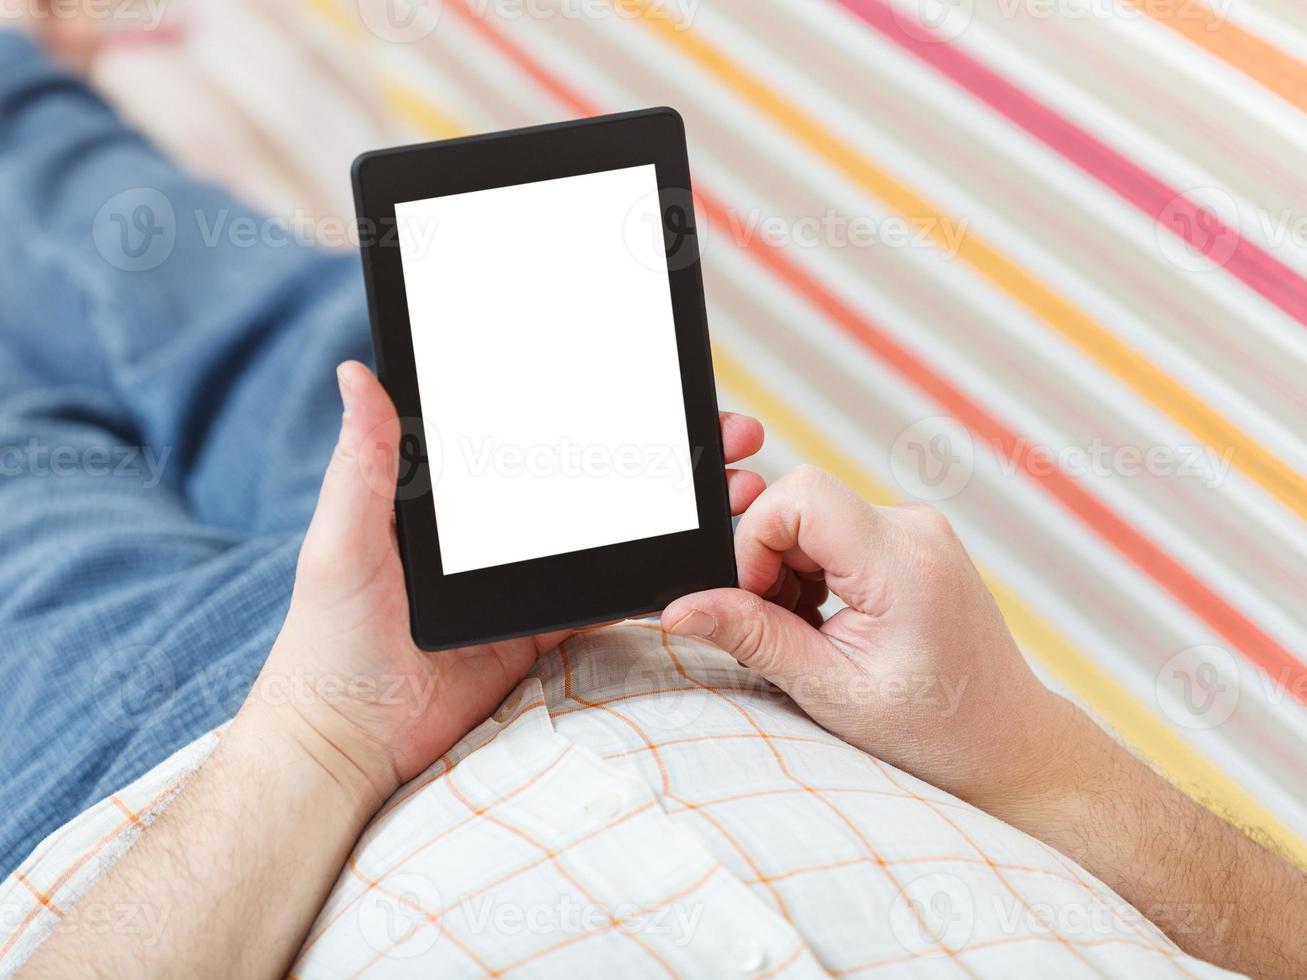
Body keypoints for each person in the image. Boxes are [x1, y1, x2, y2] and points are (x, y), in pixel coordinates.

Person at [1, 11, 1304, 980]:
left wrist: (317, 738)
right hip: (652, 626)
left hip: (194, 798)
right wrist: (1027, 752)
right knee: (260, 318)